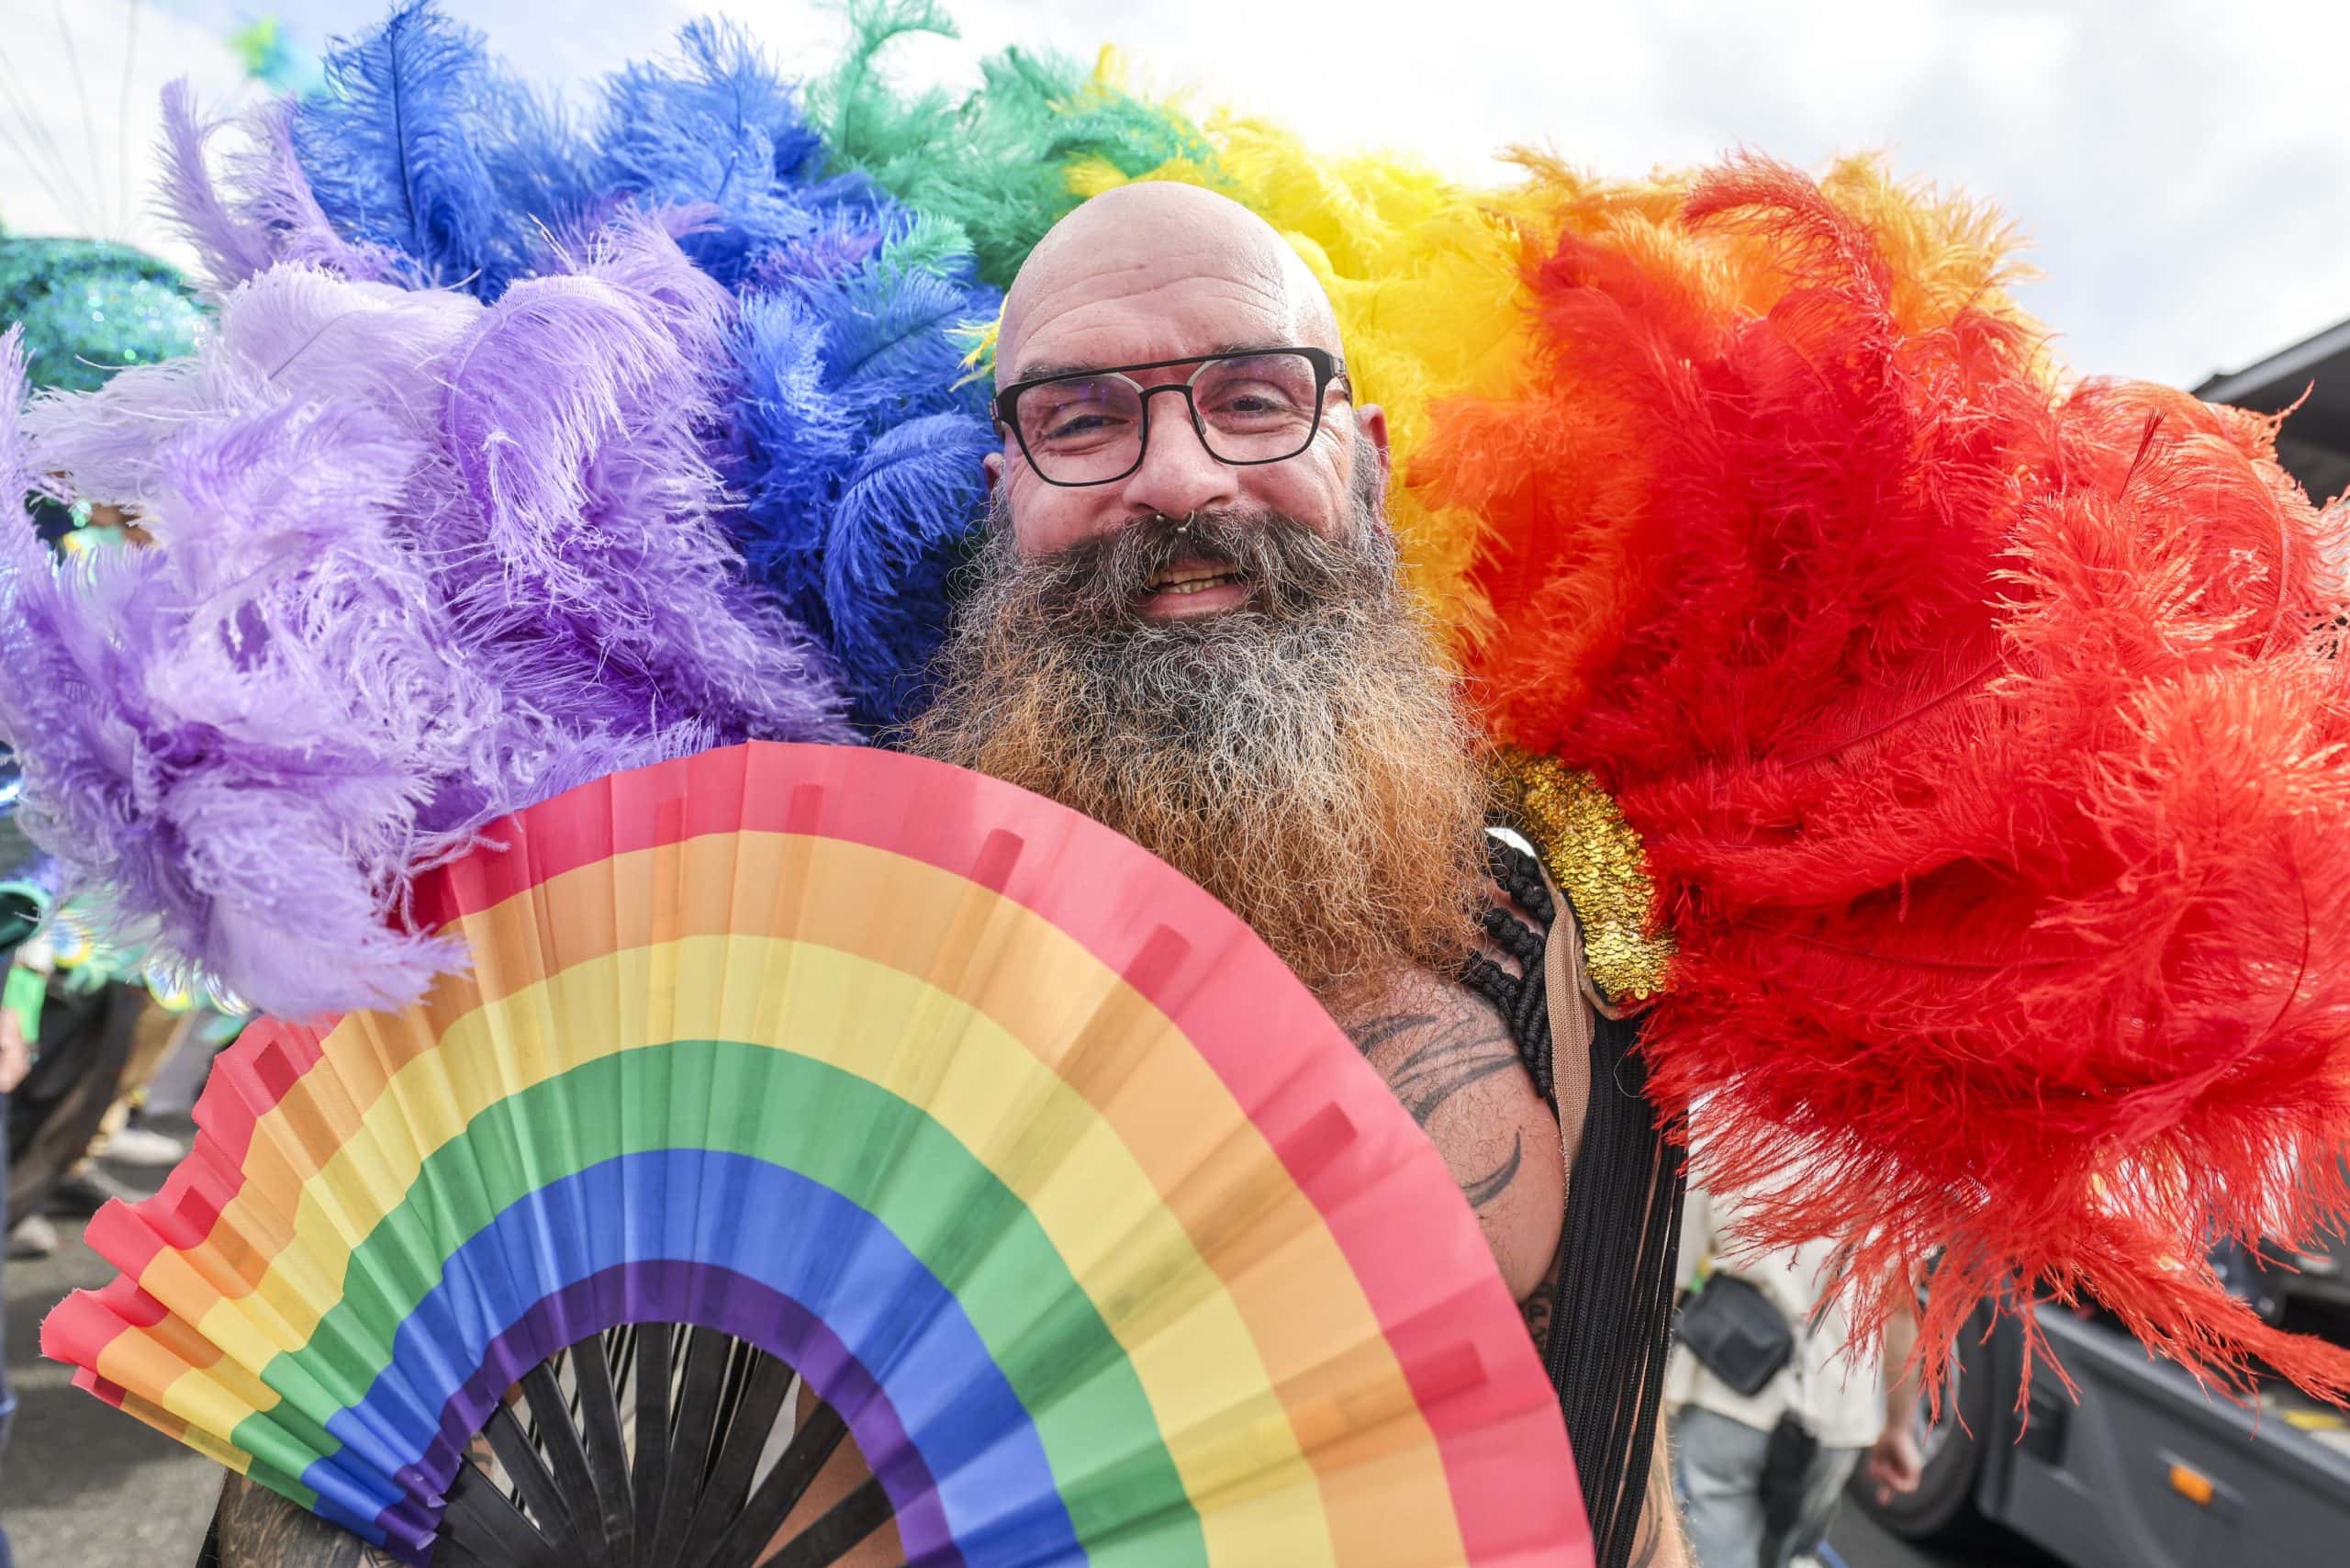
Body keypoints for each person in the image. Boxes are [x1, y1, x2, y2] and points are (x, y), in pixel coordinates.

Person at [202, 183, 1691, 1568]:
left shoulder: (1532, 940)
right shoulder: (779, 924)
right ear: (1006, 492)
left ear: (1357, 460)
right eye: (1084, 419)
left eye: (1254, 400)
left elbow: (1621, 1484)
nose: (1176, 478)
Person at [1667, 1184, 1923, 1568]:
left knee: (1713, 1550)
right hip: (1837, 1418)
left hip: (1729, 1393)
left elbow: (1674, 1274)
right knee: (1788, 1552)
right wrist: (1898, 1428)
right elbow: (1901, 1317)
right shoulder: (1903, 1184)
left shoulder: (1739, 1136)